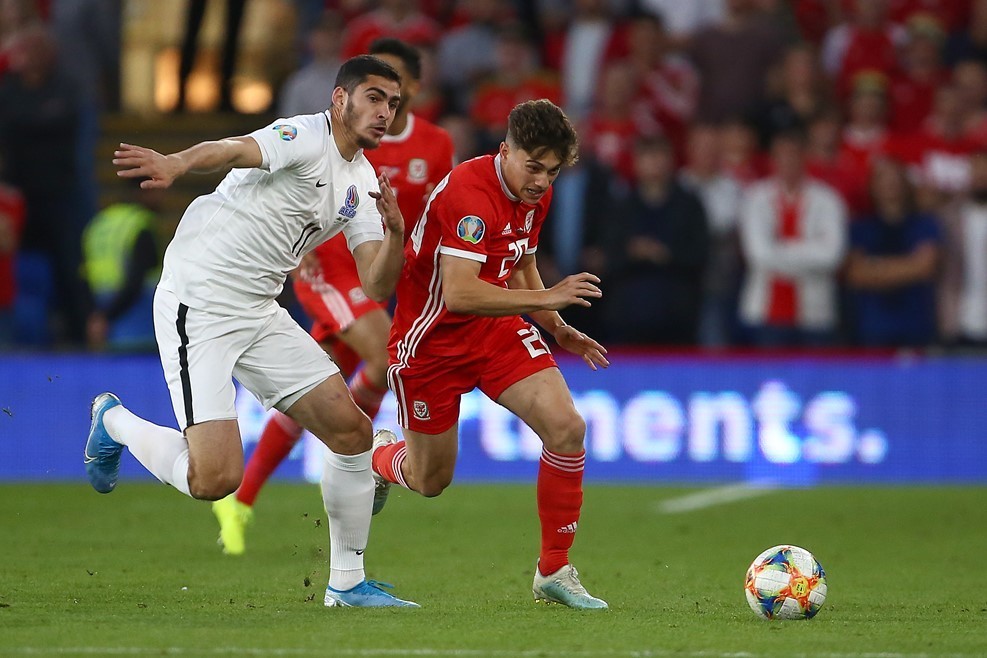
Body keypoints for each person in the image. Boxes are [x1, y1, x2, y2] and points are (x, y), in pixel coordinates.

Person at [85, 55, 418, 608]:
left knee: (353, 433)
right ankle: (112, 419)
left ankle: (347, 584)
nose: (385, 113)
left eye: (394, 104)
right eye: (375, 98)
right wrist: (177, 161)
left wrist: (396, 236)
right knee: (214, 479)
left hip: (259, 309)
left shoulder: (361, 183)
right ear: (340, 99)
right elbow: (235, 148)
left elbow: (375, 284)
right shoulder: (305, 136)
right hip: (201, 297)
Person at [212, 38, 455, 556]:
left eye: (396, 88)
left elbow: (433, 222)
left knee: (326, 394)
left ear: (413, 86)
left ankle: (241, 501)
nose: (385, 104)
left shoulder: (435, 145)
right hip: (326, 265)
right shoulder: (343, 130)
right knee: (386, 354)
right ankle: (376, 454)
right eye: (376, 90)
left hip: (376, 267)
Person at [371, 99, 611, 610]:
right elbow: (458, 293)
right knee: (430, 481)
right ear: (506, 150)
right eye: (534, 166)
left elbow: (521, 261)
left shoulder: (533, 195)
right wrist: (547, 299)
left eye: (551, 171)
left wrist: (556, 326)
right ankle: (381, 456)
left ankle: (554, 569)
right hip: (429, 342)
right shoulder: (469, 193)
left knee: (567, 428)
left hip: (493, 332)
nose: (542, 181)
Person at [845, 158, 940, 347]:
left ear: (906, 184)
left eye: (896, 178)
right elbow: (856, 274)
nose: (890, 184)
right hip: (873, 326)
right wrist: (908, 265)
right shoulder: (860, 227)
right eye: (883, 179)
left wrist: (876, 267)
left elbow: (925, 267)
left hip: (915, 324)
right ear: (873, 186)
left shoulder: (925, 224)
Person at [82, 180, 165, 352]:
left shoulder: (100, 223)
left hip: (105, 321)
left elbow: (84, 275)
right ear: (144, 191)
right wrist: (106, 317)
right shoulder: (139, 224)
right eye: (157, 191)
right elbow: (136, 281)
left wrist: (96, 317)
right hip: (139, 324)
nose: (161, 197)